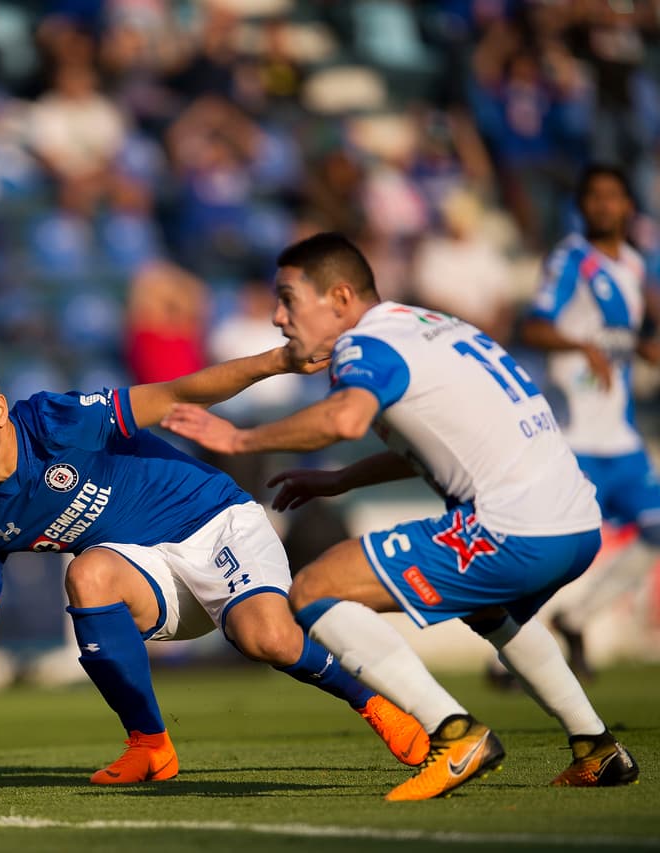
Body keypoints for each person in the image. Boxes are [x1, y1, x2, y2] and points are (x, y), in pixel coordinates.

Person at [162, 231, 640, 801]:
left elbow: (342, 420)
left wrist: (240, 438)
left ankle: (454, 733)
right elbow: (442, 438)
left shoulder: (363, 345)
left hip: (514, 527)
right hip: (574, 522)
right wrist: (342, 478)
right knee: (489, 609)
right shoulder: (429, 324)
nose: (278, 316)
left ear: (339, 299)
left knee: (315, 589)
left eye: (289, 298)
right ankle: (596, 748)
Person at [0, 339, 430, 787]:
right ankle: (149, 745)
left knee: (267, 639)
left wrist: (278, 362)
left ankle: (377, 703)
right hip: (151, 573)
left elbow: (175, 395)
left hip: (216, 523)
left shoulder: (54, 423)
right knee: (87, 574)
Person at [521, 164, 660, 679]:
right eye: (593, 196)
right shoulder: (570, 260)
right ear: (581, 205)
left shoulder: (635, 265)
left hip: (620, 440)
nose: (603, 205)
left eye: (613, 196)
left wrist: (641, 347)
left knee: (655, 533)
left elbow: (622, 336)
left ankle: (577, 619)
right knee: (551, 552)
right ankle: (511, 650)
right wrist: (580, 345)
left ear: (628, 205)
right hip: (573, 436)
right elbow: (533, 328)